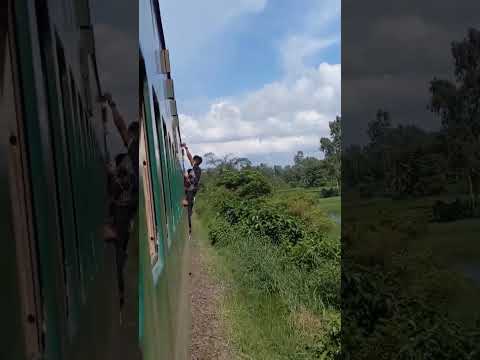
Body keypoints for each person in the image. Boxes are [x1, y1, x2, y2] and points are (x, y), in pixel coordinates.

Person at [181, 143, 202, 233]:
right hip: (190, 191)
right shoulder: (195, 167)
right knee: (187, 209)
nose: (191, 160)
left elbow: (194, 181)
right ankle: (189, 229)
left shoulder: (197, 170)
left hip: (191, 191)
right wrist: (186, 149)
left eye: (193, 160)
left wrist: (186, 177)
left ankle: (189, 230)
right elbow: (189, 157)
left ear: (196, 161)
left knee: (188, 210)